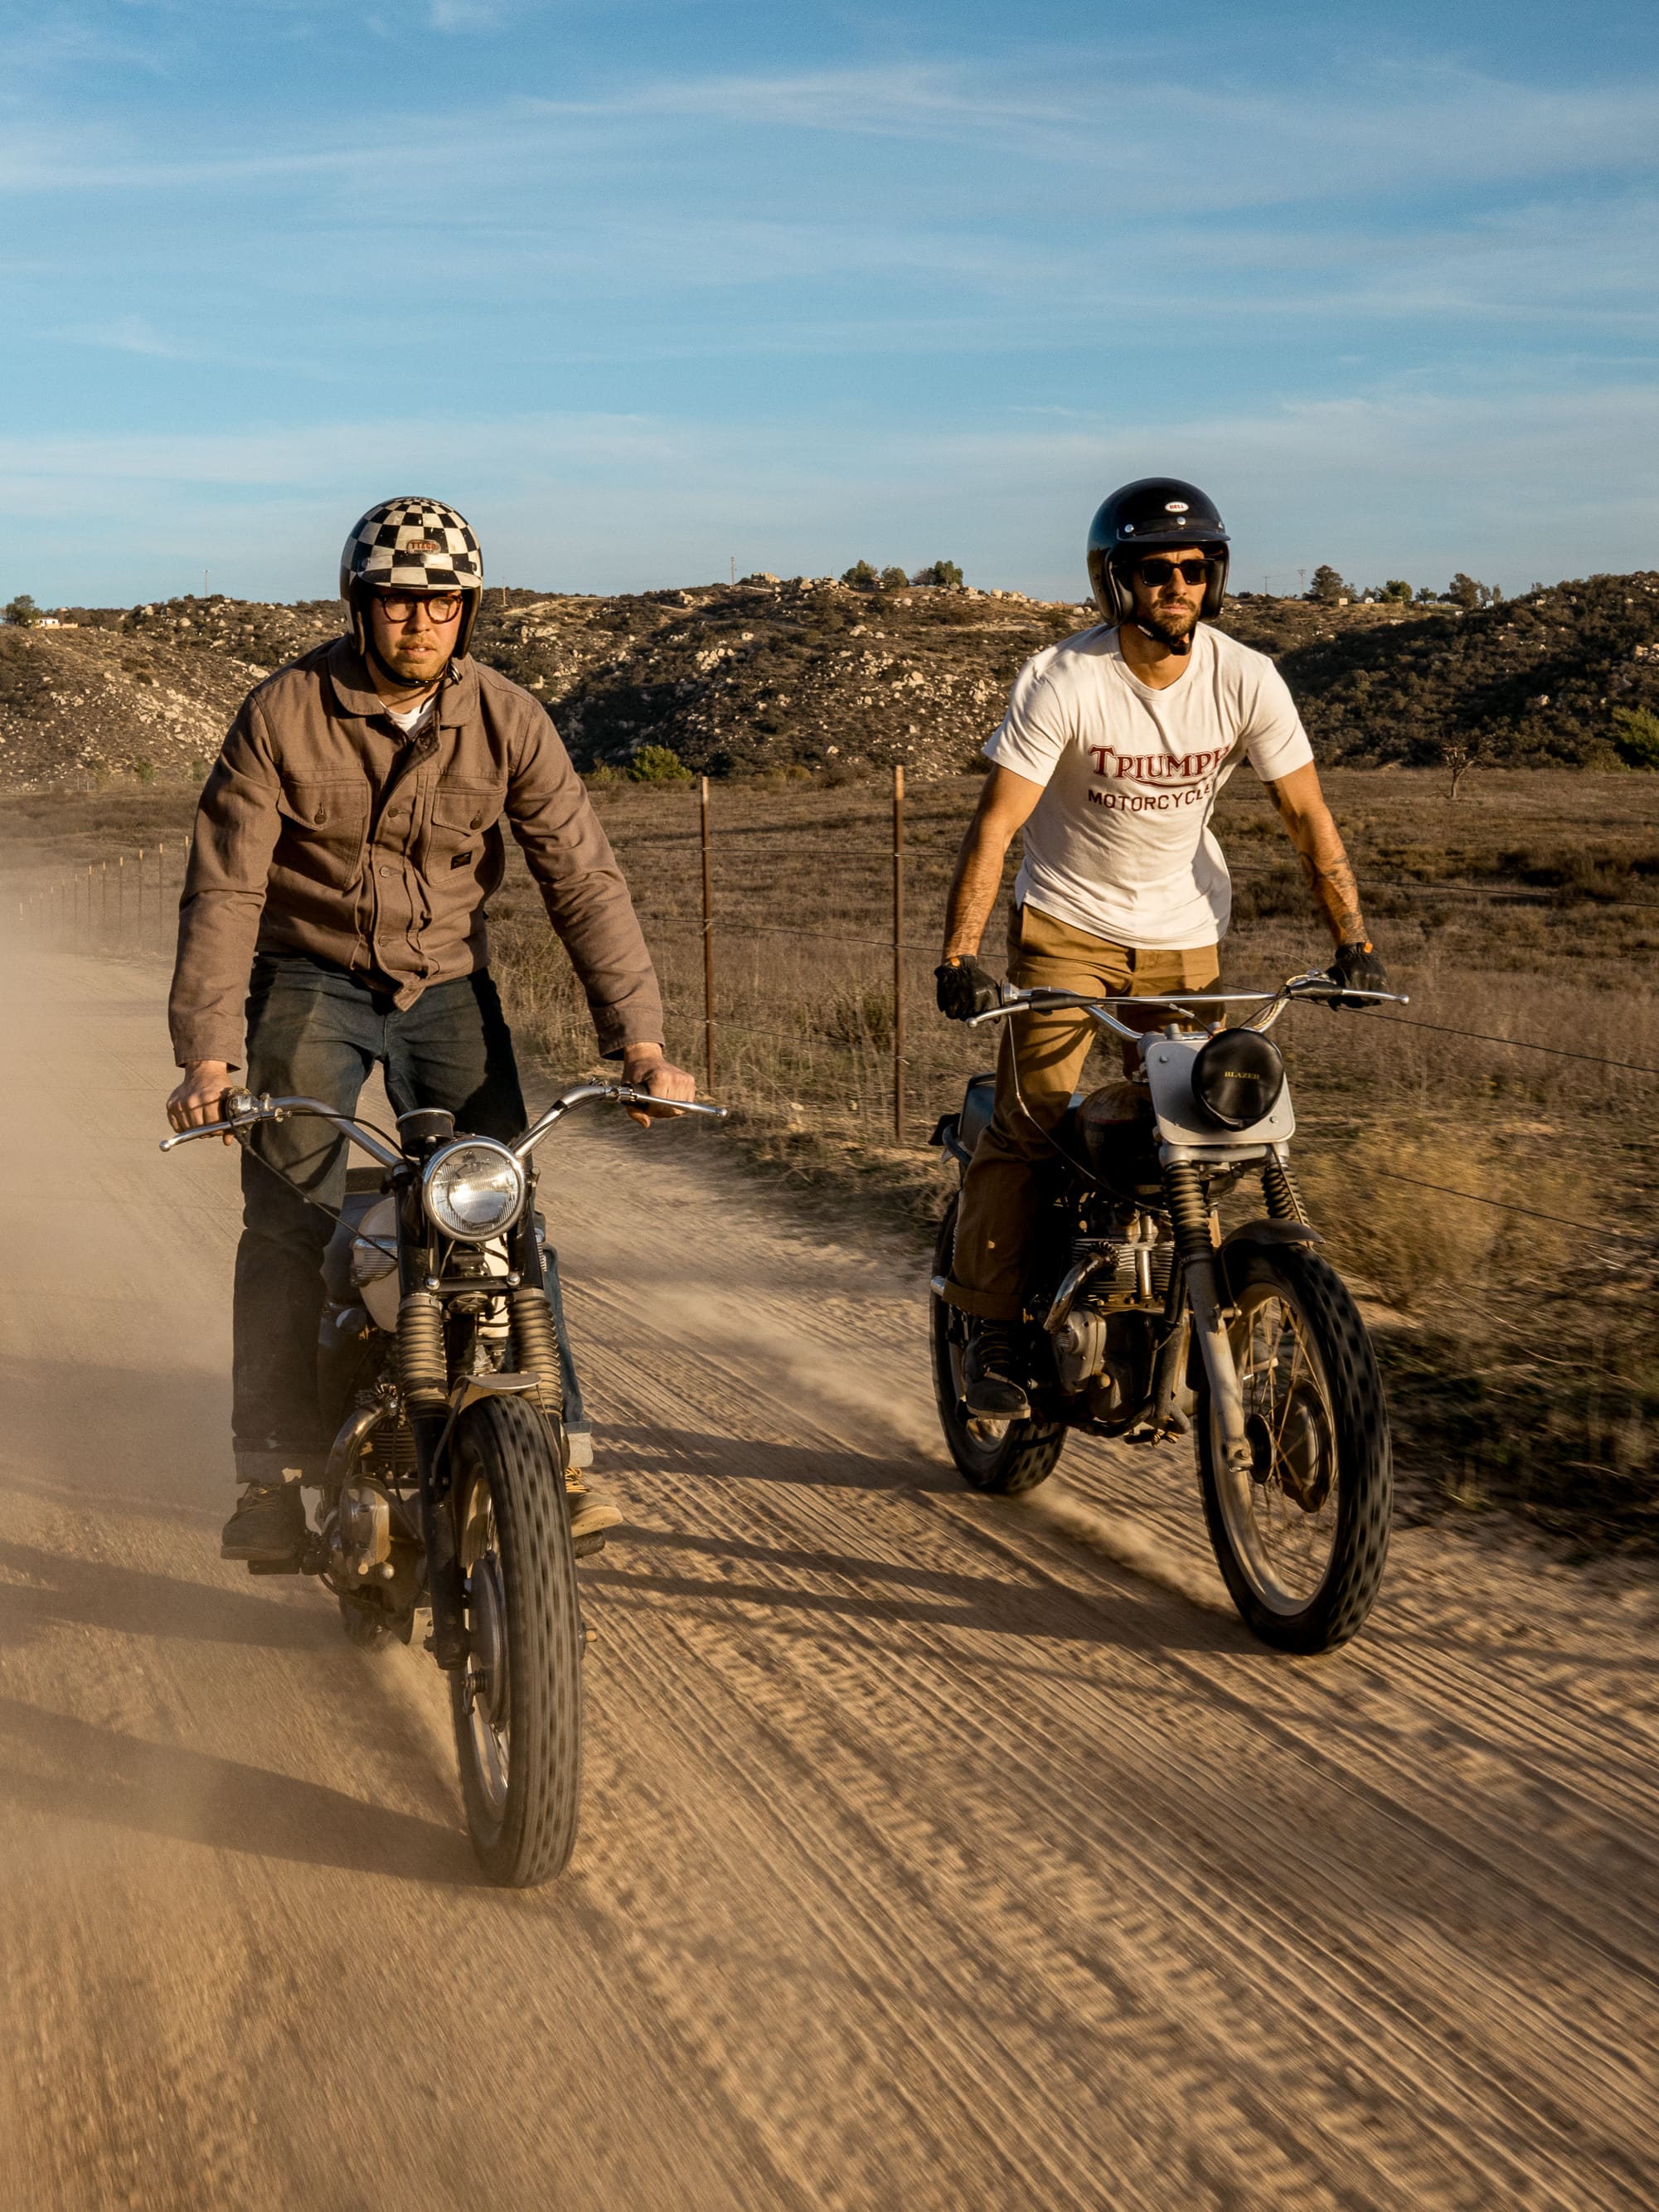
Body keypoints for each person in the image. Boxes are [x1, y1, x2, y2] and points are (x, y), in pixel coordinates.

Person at [166, 496, 695, 1564]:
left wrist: (639, 1042)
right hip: (308, 978)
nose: (420, 623)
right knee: (288, 1214)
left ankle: (559, 1452)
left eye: (442, 604)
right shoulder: (283, 712)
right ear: (358, 605)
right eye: (398, 601)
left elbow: (582, 878)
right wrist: (209, 1057)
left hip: (446, 984)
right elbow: (224, 888)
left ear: (470, 611)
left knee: (500, 1208)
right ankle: (268, 1473)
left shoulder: (510, 717)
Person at [934, 477, 1385, 1419]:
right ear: (1115, 581)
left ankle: (1190, 1315)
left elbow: (1305, 813)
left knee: (1203, 1133)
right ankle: (992, 1329)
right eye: (1155, 568)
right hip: (1066, 928)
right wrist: (958, 957)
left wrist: (1356, 940)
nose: (1177, 584)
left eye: (1194, 567)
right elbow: (996, 825)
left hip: (1186, 937)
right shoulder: (1064, 678)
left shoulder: (1245, 677)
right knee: (1033, 1125)